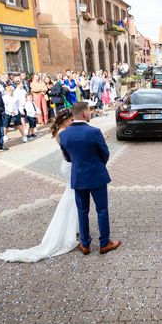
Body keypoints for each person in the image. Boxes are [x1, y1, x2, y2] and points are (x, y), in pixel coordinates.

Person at [0, 109, 79, 262]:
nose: (73, 122)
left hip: (67, 165)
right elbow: (70, 150)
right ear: (65, 119)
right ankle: (68, 229)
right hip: (69, 166)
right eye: (71, 120)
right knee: (72, 197)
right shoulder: (62, 133)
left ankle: (74, 227)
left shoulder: (62, 130)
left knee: (73, 197)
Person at [59, 102, 121, 255]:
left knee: (82, 210)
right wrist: (98, 166)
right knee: (101, 209)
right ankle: (104, 243)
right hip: (96, 176)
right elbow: (105, 153)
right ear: (85, 114)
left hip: (78, 176)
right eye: (89, 112)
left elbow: (68, 158)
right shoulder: (94, 132)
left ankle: (85, 244)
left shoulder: (64, 134)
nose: (91, 114)